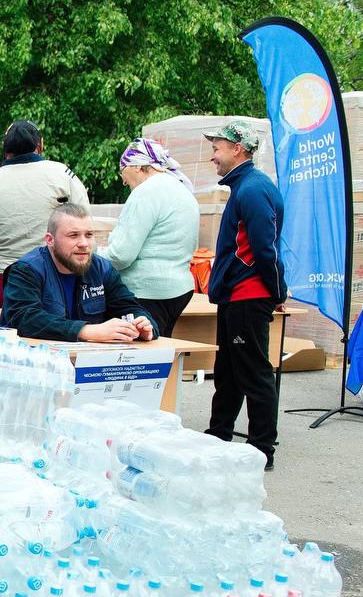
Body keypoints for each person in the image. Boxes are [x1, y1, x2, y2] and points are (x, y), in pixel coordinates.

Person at [201, 120, 285, 471]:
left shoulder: (251, 189)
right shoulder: (245, 186)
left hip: (247, 296)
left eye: (217, 148)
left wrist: (276, 289)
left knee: (253, 372)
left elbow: (264, 250)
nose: (212, 156)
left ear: (238, 149)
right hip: (237, 295)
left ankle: (262, 449)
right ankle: (218, 434)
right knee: (230, 370)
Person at [0, 120, 90, 307]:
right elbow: (85, 225)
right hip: (58, 278)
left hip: (6, 281)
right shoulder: (62, 175)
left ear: (5, 147)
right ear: (40, 145)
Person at [0, 203, 158, 342]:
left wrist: (144, 325)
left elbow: (128, 307)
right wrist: (86, 331)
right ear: (50, 240)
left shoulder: (103, 269)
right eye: (73, 235)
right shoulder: (26, 270)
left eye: (89, 235)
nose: (84, 243)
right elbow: (24, 319)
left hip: (87, 363)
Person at [100, 137, 199, 337]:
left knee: (140, 356)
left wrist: (94, 257)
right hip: (180, 288)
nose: (123, 179)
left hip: (146, 290)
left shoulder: (145, 193)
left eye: (122, 171)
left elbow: (121, 254)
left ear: (136, 166)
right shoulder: (183, 190)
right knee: (162, 349)